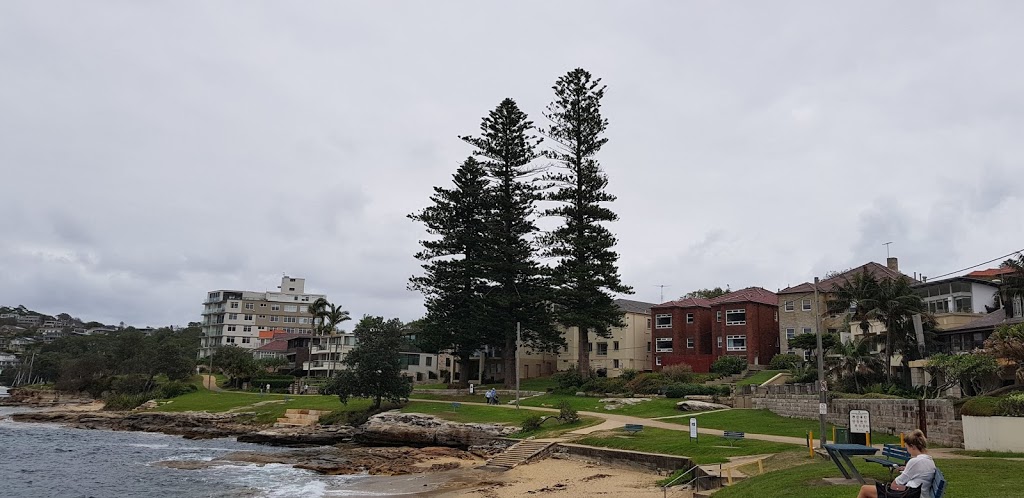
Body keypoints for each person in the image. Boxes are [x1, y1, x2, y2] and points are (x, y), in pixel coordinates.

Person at [856, 430, 935, 498]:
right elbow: (918, 473)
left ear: (912, 446)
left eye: (907, 447)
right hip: (916, 493)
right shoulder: (929, 460)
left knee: (865, 489)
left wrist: (891, 486)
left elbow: (897, 483)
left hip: (909, 495)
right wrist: (906, 469)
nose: (907, 450)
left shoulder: (915, 461)